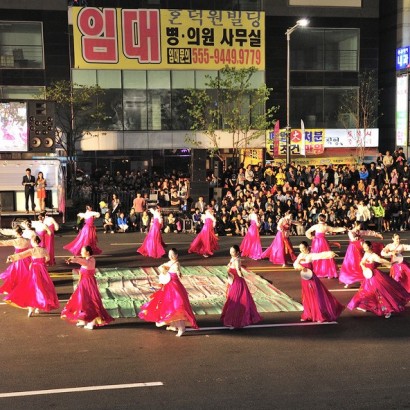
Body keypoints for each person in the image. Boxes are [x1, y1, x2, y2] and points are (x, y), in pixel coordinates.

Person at [138, 248, 198, 337]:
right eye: (169, 255)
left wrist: (178, 273)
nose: (170, 256)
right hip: (168, 286)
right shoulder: (169, 263)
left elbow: (177, 269)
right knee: (169, 305)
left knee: (177, 306)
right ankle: (173, 325)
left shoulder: (176, 263)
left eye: (172, 255)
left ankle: (181, 328)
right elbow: (163, 269)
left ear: (176, 255)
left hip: (175, 287)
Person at [347, 241, 410, 318]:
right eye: (364, 248)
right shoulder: (366, 254)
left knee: (381, 292)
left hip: (375, 275)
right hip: (368, 275)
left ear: (370, 247)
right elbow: (361, 262)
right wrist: (364, 267)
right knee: (366, 291)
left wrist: (391, 263)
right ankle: (364, 305)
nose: (365, 249)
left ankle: (387, 309)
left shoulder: (374, 256)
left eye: (366, 247)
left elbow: (381, 260)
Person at [4, 236, 59, 317]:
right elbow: (47, 258)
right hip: (42, 270)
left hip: (34, 270)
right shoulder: (44, 250)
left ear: (33, 242)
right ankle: (38, 306)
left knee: (33, 287)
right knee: (43, 286)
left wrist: (11, 257)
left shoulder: (32, 250)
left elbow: (21, 255)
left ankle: (31, 309)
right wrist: (41, 261)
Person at [62, 246, 114, 330]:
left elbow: (80, 261)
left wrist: (73, 259)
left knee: (90, 302)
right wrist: (73, 259)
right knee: (82, 301)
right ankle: (82, 319)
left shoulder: (89, 261)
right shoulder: (89, 260)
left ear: (88, 252)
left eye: (83, 251)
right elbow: (80, 261)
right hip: (84, 283)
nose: (81, 252)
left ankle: (91, 322)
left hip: (88, 284)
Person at [293, 241, 345, 323]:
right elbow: (295, 264)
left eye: (303, 248)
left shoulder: (310, 255)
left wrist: (330, 253)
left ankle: (319, 315)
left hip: (311, 278)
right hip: (304, 279)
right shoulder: (300, 255)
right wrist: (300, 267)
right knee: (306, 296)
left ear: (307, 247)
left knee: (315, 296)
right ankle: (308, 314)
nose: (301, 250)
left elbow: (320, 255)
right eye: (300, 248)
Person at [221, 245, 262, 328]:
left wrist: (242, 277)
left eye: (233, 252)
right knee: (232, 299)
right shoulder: (233, 259)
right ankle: (232, 319)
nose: (231, 253)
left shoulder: (237, 260)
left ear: (237, 252)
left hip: (237, 281)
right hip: (232, 280)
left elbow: (238, 270)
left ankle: (236, 321)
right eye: (230, 251)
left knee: (236, 299)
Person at [339, 221, 383, 288]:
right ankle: (348, 281)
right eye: (359, 225)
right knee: (351, 265)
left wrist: (377, 234)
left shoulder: (359, 232)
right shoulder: (351, 232)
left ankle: (362, 279)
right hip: (352, 250)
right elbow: (353, 239)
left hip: (359, 249)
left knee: (361, 264)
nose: (360, 227)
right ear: (355, 225)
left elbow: (368, 232)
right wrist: (356, 239)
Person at [0, 226, 31, 295]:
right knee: (27, 273)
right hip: (27, 258)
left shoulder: (15, 241)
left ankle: (18, 287)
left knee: (15, 274)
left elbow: (3, 243)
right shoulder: (28, 240)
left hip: (18, 259)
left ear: (17, 233)